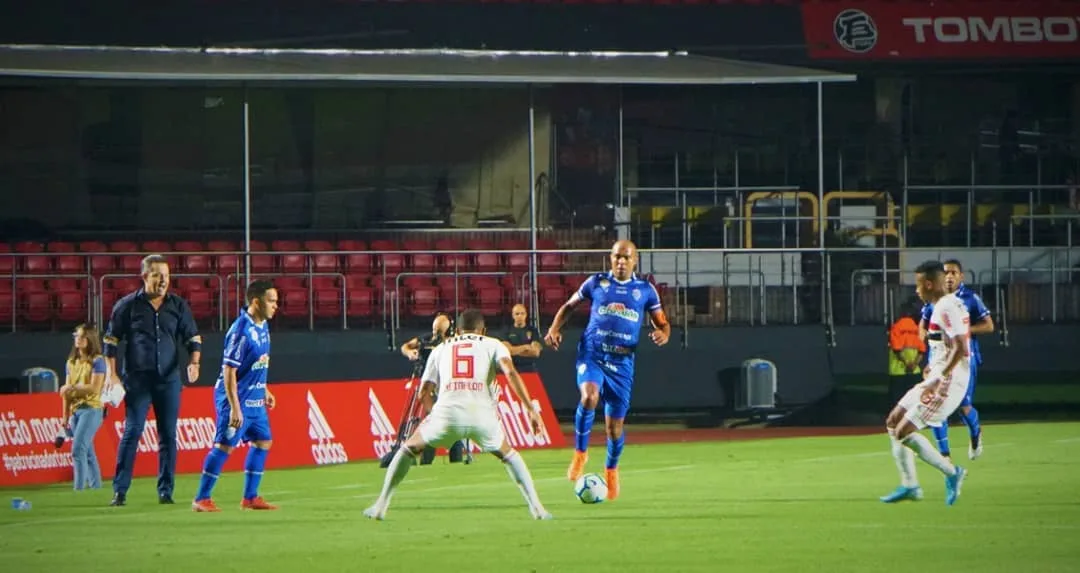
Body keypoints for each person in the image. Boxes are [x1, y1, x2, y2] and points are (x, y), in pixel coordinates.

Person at [363, 309, 552, 521]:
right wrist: (530, 410)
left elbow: (424, 391)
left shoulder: (441, 348)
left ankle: (380, 506)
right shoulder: (494, 344)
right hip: (482, 415)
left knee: (407, 449)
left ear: (458, 330)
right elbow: (510, 372)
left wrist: (432, 415)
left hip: (447, 414)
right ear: (483, 330)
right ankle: (537, 508)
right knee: (509, 455)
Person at [543, 239, 670, 501]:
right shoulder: (596, 283)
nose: (621, 262)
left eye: (626, 258)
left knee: (614, 429)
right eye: (616, 257)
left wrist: (664, 334)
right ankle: (580, 453)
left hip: (623, 364)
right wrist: (555, 328)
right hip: (593, 353)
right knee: (589, 396)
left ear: (635, 260)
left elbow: (663, 323)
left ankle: (611, 470)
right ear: (610, 259)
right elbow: (568, 306)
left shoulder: (645, 290)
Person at [104, 254, 202, 506]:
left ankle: (165, 490)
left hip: (168, 381)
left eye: (166, 276)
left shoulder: (178, 306)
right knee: (132, 432)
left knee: (168, 436)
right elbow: (110, 342)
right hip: (137, 381)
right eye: (158, 275)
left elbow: (193, 337)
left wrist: (194, 362)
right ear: (145, 276)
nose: (163, 281)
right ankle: (120, 490)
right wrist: (112, 375)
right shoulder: (127, 306)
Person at [880, 260, 969, 506]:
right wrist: (934, 364)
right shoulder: (945, 305)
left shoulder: (945, 307)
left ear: (929, 284)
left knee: (904, 431)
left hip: (948, 381)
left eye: (918, 285)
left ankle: (953, 473)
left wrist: (939, 377)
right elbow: (948, 344)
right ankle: (910, 485)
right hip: (939, 374)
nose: (916, 291)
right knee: (893, 422)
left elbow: (961, 347)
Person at [192, 280, 279, 512]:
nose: (275, 306)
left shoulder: (262, 326)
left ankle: (250, 498)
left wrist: (264, 388)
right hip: (234, 398)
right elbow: (228, 370)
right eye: (271, 301)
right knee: (224, 446)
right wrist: (234, 407)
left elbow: (256, 363)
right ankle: (201, 498)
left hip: (255, 398)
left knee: (263, 441)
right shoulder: (241, 331)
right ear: (256, 301)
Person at [918, 258, 993, 461]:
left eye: (953, 273)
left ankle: (975, 433)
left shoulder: (968, 298)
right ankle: (945, 455)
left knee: (963, 407)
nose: (949, 277)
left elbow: (989, 325)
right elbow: (923, 325)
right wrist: (926, 346)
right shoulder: (934, 301)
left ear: (961, 276)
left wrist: (963, 331)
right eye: (946, 273)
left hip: (964, 360)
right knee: (934, 405)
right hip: (939, 359)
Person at [397, 312, 464, 464]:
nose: (436, 335)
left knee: (452, 426)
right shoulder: (427, 340)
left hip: (449, 388)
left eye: (440, 331)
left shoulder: (456, 342)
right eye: (435, 331)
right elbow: (406, 346)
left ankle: (457, 460)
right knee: (432, 424)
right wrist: (410, 352)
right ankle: (426, 462)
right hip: (430, 387)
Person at [58, 324, 107, 491]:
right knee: (88, 453)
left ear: (90, 340)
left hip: (91, 409)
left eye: (82, 337)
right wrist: (65, 416)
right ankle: (95, 488)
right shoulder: (71, 362)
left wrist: (72, 388)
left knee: (78, 449)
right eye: (76, 336)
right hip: (76, 411)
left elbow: (94, 388)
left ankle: (78, 489)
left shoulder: (98, 361)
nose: (78, 339)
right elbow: (66, 393)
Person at [501, 303, 543, 373]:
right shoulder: (506, 330)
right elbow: (508, 351)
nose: (520, 316)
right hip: (511, 368)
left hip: (529, 368)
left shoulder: (533, 330)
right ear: (513, 315)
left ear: (526, 315)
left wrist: (514, 350)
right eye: (517, 314)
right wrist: (526, 347)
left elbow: (535, 352)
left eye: (522, 313)